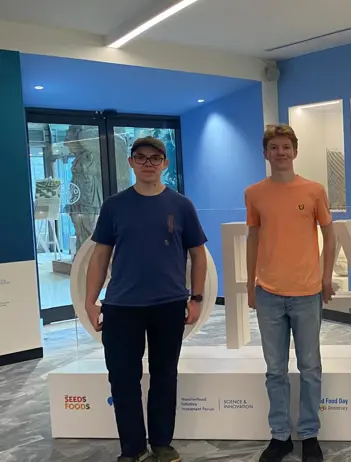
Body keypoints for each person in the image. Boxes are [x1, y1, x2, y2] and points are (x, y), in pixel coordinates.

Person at [85, 137, 208, 462]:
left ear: (165, 163)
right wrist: (90, 300)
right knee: (123, 378)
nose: (148, 163)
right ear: (131, 163)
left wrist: (196, 297)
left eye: (155, 158)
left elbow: (198, 255)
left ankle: (162, 443)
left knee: (165, 374)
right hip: (121, 306)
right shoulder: (114, 205)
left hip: (168, 304)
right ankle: (132, 447)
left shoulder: (181, 205)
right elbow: (100, 256)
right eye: (141, 158)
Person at [245, 124, 336, 462]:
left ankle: (309, 434)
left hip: (307, 292)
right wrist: (249, 283)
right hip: (268, 292)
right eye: (274, 147)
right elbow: (253, 237)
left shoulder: (313, 191)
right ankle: (280, 436)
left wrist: (326, 277)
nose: (280, 153)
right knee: (275, 370)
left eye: (286, 147)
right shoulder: (254, 193)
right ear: (265, 153)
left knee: (310, 366)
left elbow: (331, 235)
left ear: (295, 151)